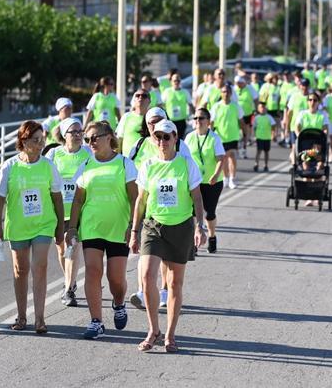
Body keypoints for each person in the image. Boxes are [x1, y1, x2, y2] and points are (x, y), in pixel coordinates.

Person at [130, 120, 206, 353]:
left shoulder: (186, 164)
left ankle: (170, 335)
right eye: (158, 136)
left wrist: (199, 226)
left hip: (181, 226)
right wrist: (134, 232)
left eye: (166, 136)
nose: (162, 141)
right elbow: (140, 200)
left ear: (175, 138)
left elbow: (197, 198)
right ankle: (154, 330)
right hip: (153, 226)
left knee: (174, 283)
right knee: (146, 277)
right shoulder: (148, 165)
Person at [67, 121, 138, 339]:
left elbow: (135, 198)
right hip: (92, 227)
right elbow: (78, 200)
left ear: (109, 137)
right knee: (92, 271)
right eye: (88, 139)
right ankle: (96, 321)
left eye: (94, 137)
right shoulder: (86, 165)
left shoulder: (125, 164)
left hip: (118, 229)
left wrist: (133, 227)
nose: (91, 142)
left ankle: (119, 302)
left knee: (115, 278)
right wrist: (71, 227)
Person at [0, 121, 64, 333]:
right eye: (36, 140)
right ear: (23, 141)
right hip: (18, 226)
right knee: (20, 270)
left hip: (43, 224)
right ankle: (22, 316)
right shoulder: (10, 166)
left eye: (43, 139)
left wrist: (60, 227)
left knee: (39, 267)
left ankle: (40, 319)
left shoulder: (48, 166)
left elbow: (57, 198)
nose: (41, 143)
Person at [46, 118, 92, 307]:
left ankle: (68, 289)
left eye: (80, 131)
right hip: (58, 210)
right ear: (64, 135)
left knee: (72, 248)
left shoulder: (88, 153)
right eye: (73, 132)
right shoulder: (54, 154)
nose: (77, 135)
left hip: (79, 209)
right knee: (61, 249)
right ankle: (69, 281)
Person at [185, 108, 225, 253]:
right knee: (194, 212)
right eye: (195, 118)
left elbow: (221, 159)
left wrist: (215, 174)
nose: (198, 121)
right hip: (195, 181)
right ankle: (194, 242)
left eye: (201, 118)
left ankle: (212, 236)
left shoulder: (215, 138)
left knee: (209, 213)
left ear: (208, 121)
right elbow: (183, 158)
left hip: (212, 182)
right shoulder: (189, 137)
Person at [210, 84, 243, 190]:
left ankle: (232, 179)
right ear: (221, 93)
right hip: (221, 137)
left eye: (228, 92)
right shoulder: (216, 106)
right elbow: (211, 121)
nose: (226, 94)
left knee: (232, 156)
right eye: (223, 91)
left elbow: (241, 120)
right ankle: (225, 178)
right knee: (223, 158)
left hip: (233, 136)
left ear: (231, 93)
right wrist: (210, 133)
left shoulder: (235, 106)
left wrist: (245, 133)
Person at [116, 89, 151, 155]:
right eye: (137, 95)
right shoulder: (126, 116)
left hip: (146, 161)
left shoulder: (152, 117)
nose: (140, 97)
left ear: (149, 101)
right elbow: (119, 139)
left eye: (144, 96)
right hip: (128, 161)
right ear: (134, 100)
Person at [162, 72, 190, 138]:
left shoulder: (185, 92)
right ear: (171, 81)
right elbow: (161, 105)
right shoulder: (167, 91)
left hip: (181, 121)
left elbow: (190, 104)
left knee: (179, 140)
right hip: (170, 120)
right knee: (169, 139)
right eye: (175, 80)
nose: (176, 82)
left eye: (178, 80)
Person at [235, 75, 255, 160]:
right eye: (237, 83)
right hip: (237, 115)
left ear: (243, 82)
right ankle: (237, 149)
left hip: (247, 114)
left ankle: (244, 150)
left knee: (245, 133)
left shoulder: (250, 89)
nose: (238, 85)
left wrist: (256, 109)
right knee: (237, 133)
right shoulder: (234, 89)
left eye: (239, 83)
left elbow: (256, 99)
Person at [259, 73, 282, 146]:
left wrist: (278, 108)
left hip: (275, 108)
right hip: (269, 107)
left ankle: (274, 135)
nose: (275, 80)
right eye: (274, 79)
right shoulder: (268, 86)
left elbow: (279, 98)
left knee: (276, 123)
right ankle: (270, 134)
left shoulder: (278, 88)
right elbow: (265, 96)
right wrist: (263, 106)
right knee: (269, 122)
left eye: (277, 79)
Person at [252, 102, 276, 172]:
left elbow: (273, 125)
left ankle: (266, 165)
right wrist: (254, 136)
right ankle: (256, 164)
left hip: (267, 137)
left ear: (266, 108)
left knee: (266, 152)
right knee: (259, 151)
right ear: (258, 109)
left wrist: (273, 134)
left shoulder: (269, 117)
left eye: (263, 107)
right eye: (260, 107)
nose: (262, 109)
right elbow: (254, 127)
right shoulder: (257, 118)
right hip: (259, 137)